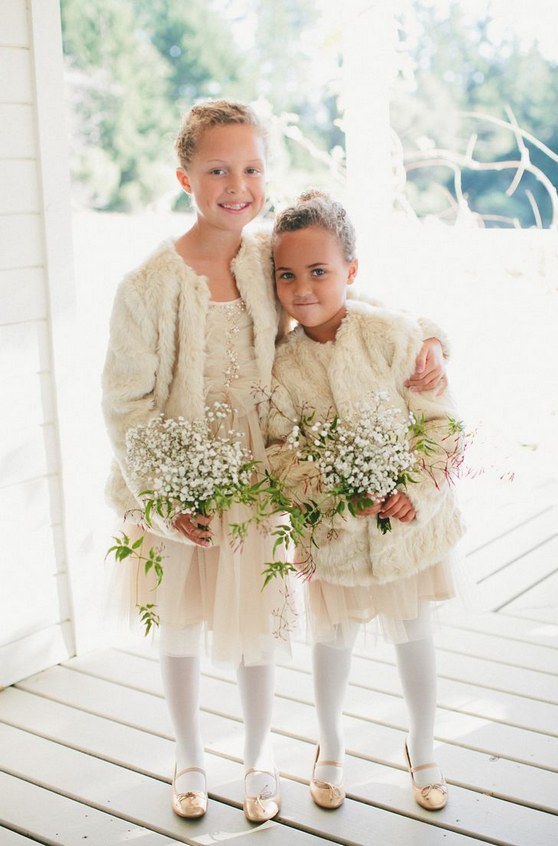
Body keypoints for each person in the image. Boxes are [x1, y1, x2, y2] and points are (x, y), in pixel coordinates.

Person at [101, 100, 448, 823]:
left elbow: (345, 299)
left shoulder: (266, 258)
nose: (238, 184)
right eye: (218, 169)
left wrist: (434, 339)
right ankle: (189, 754)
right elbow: (125, 404)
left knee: (256, 623)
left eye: (252, 168)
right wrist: (164, 496)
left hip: (258, 477)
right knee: (183, 622)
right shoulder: (147, 287)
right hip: (184, 484)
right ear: (184, 178)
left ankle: (259, 757)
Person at [267, 190, 465, 812]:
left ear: (351, 272)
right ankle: (328, 747)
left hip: (408, 529)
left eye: (319, 271)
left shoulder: (391, 336)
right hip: (336, 535)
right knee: (333, 638)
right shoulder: (282, 366)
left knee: (414, 630)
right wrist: (334, 496)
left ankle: (424, 746)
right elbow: (278, 453)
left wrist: (416, 491)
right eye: (287, 274)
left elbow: (443, 426)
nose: (303, 287)